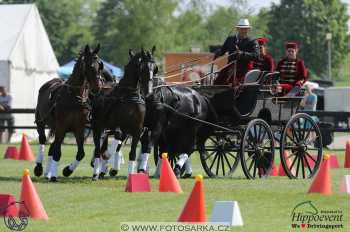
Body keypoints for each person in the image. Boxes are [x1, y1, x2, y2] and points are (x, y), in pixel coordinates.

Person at [213, 18, 259, 86]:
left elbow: (256, 56)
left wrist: (242, 54)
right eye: (242, 28)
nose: (244, 30)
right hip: (230, 67)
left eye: (245, 29)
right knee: (217, 82)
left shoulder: (252, 41)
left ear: (248, 29)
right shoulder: (230, 40)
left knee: (237, 86)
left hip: (244, 69)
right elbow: (223, 51)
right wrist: (218, 53)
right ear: (237, 29)